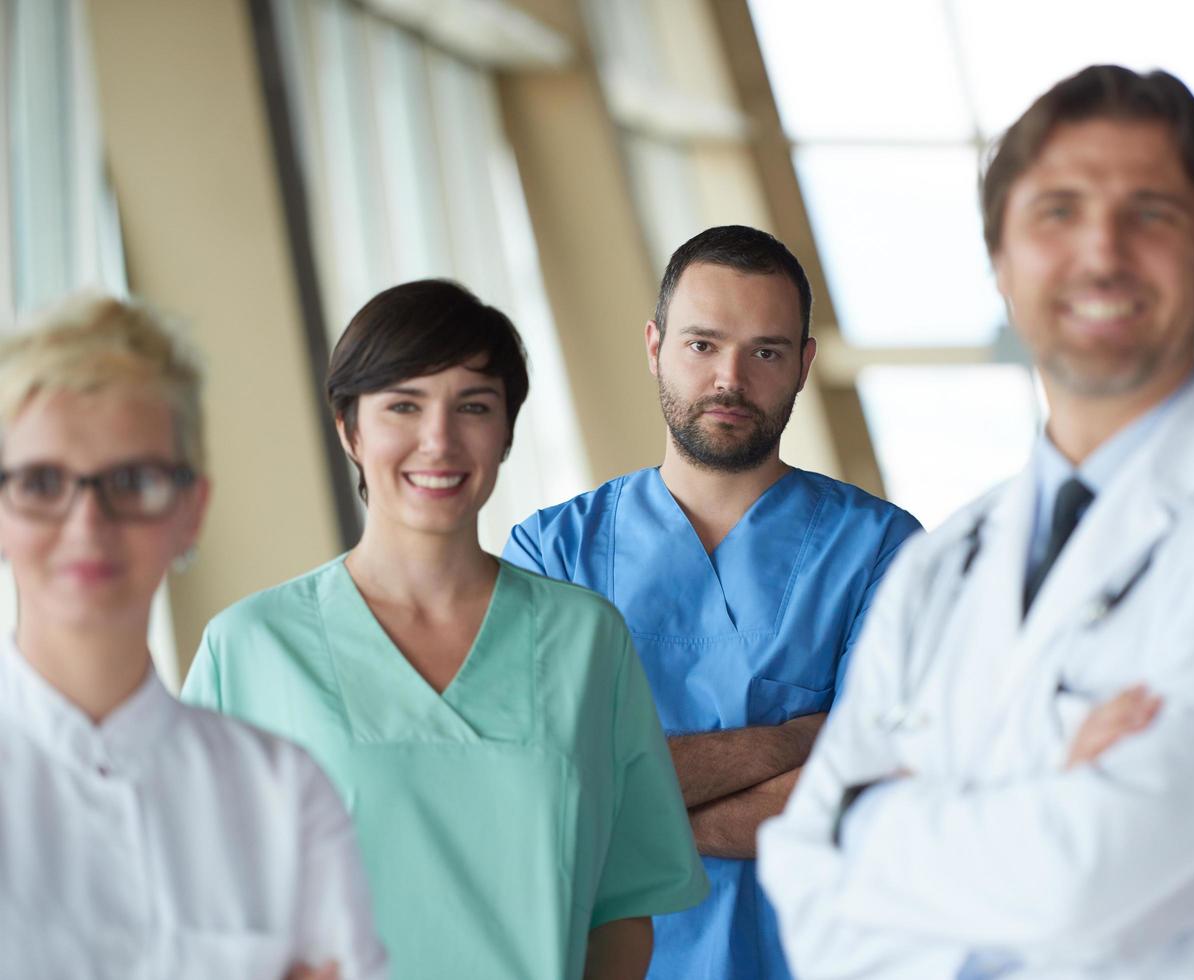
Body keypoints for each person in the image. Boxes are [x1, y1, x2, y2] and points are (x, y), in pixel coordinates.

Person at [758, 65, 1194, 979]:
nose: (1102, 251)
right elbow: (805, 894)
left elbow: (1081, 877)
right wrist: (1047, 794)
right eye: (1056, 211)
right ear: (1002, 264)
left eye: (1153, 212)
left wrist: (867, 819)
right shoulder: (945, 564)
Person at [183, 279, 707, 980]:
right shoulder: (250, 648)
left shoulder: (587, 641)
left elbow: (623, 905)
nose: (439, 440)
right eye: (404, 405)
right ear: (350, 428)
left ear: (506, 432)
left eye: (474, 406)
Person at [502, 225, 922, 979]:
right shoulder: (550, 553)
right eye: (703, 345)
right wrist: (799, 741)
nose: (730, 378)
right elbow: (540, 791)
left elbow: (875, 791)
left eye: (765, 351)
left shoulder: (882, 552)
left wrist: (619, 805)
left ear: (803, 364)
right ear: (655, 345)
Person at [0, 294, 386, 980]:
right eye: (41, 482)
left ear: (190, 510)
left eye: (133, 481)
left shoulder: (282, 797)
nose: (88, 524)